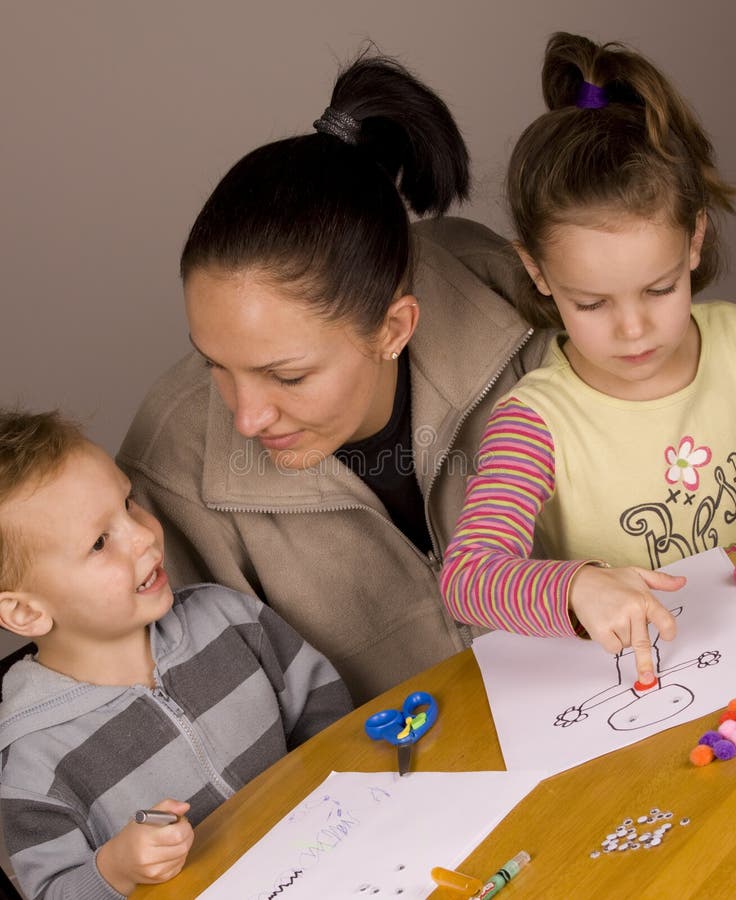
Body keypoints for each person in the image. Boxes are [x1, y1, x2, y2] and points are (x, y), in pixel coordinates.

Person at [117, 52, 551, 704]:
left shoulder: (510, 298)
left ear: (393, 329)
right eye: (215, 365)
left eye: (285, 376)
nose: (244, 418)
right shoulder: (170, 461)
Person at [440, 32, 736, 686]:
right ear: (537, 271)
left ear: (694, 243)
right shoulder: (536, 423)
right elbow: (467, 579)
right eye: (592, 303)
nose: (633, 330)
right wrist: (579, 588)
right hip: (654, 693)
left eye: (659, 290)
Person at [0, 409, 352, 900]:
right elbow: (51, 893)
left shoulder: (229, 617)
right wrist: (114, 870)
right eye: (100, 542)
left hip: (342, 863)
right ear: (24, 613)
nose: (143, 534)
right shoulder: (37, 766)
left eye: (128, 503)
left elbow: (328, 716)